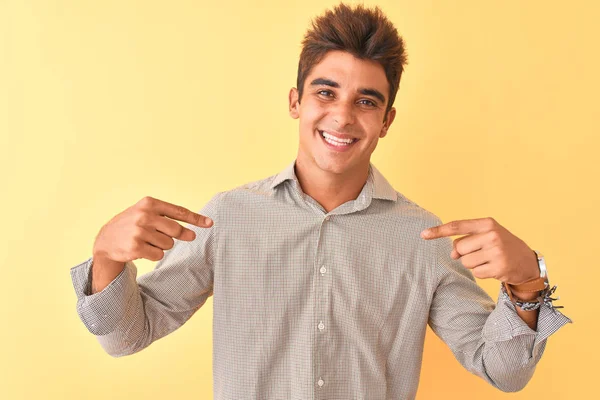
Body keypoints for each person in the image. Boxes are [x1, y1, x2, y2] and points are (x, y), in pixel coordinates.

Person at [69, 3, 571, 399]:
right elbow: (125, 336)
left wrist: (527, 282)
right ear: (296, 102)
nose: (343, 116)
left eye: (366, 101)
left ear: (387, 121)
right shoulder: (229, 217)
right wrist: (107, 257)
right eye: (325, 93)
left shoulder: (424, 238)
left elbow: (503, 371)